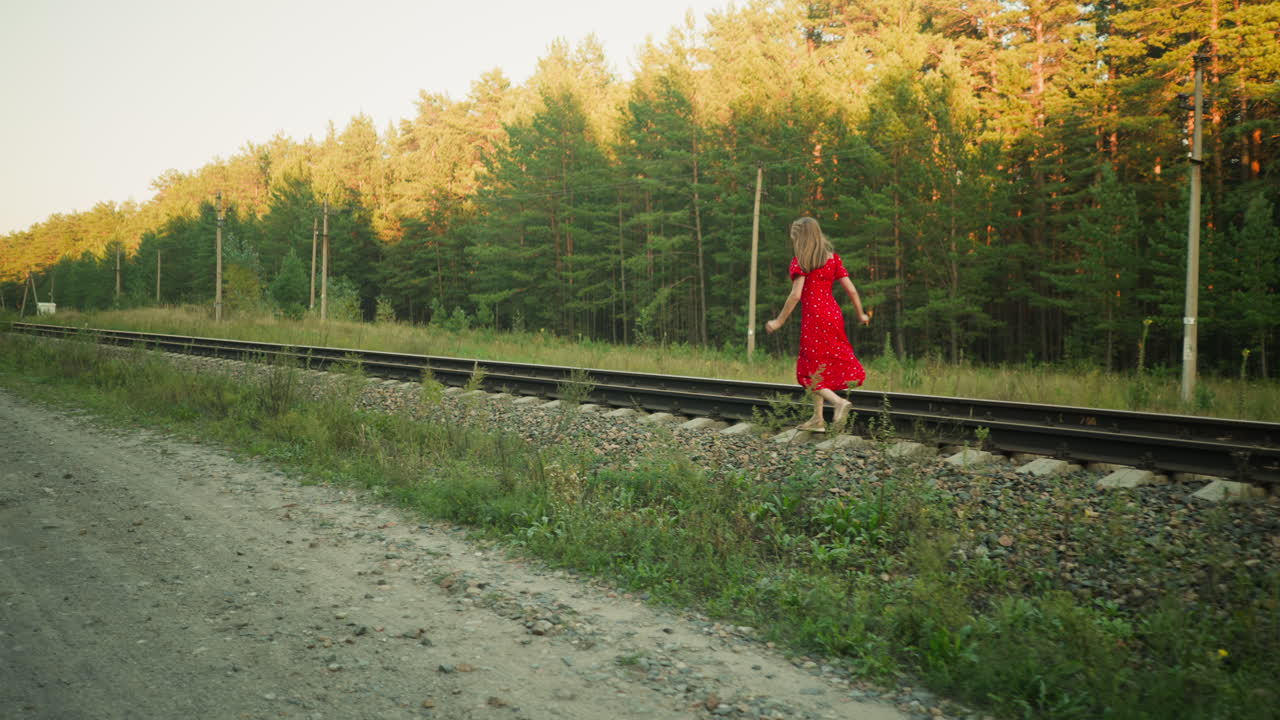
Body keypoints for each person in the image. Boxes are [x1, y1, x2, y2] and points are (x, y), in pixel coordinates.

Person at [764, 216, 870, 431]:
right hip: (833, 315)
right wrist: (861, 315)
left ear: (801, 238)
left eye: (794, 237)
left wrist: (778, 321)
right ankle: (818, 419)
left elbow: (795, 295)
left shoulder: (801, 261)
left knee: (808, 370)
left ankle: (838, 402)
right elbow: (851, 289)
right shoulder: (832, 259)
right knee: (819, 367)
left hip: (815, 318)